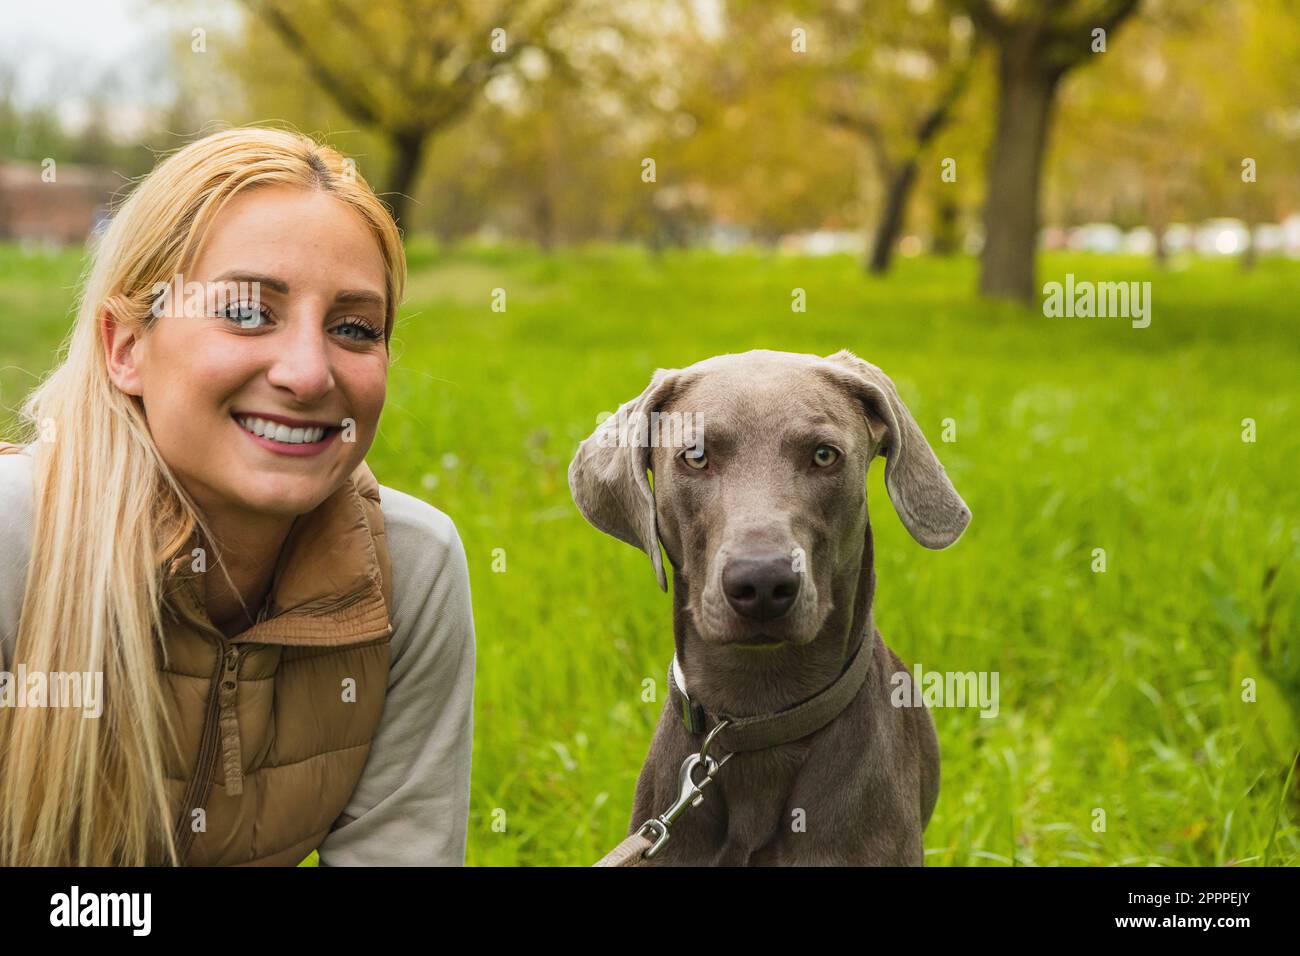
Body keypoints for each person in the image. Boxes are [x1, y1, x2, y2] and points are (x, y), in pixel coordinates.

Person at [0, 126, 475, 866]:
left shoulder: (412, 571)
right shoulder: (12, 540)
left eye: (355, 328)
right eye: (248, 312)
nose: (309, 374)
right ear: (125, 346)